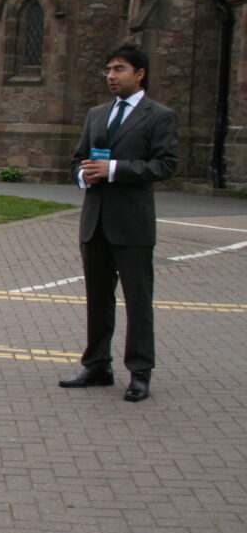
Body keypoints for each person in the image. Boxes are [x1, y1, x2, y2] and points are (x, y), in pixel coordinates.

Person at [60, 42, 178, 403]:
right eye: (108, 70)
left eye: (119, 69)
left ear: (139, 74)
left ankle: (140, 373)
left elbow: (165, 165)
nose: (111, 76)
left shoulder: (159, 115)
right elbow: (77, 160)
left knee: (138, 301)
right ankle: (97, 366)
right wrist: (84, 176)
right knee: (98, 299)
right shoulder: (96, 114)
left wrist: (113, 169)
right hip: (94, 223)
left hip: (132, 226)